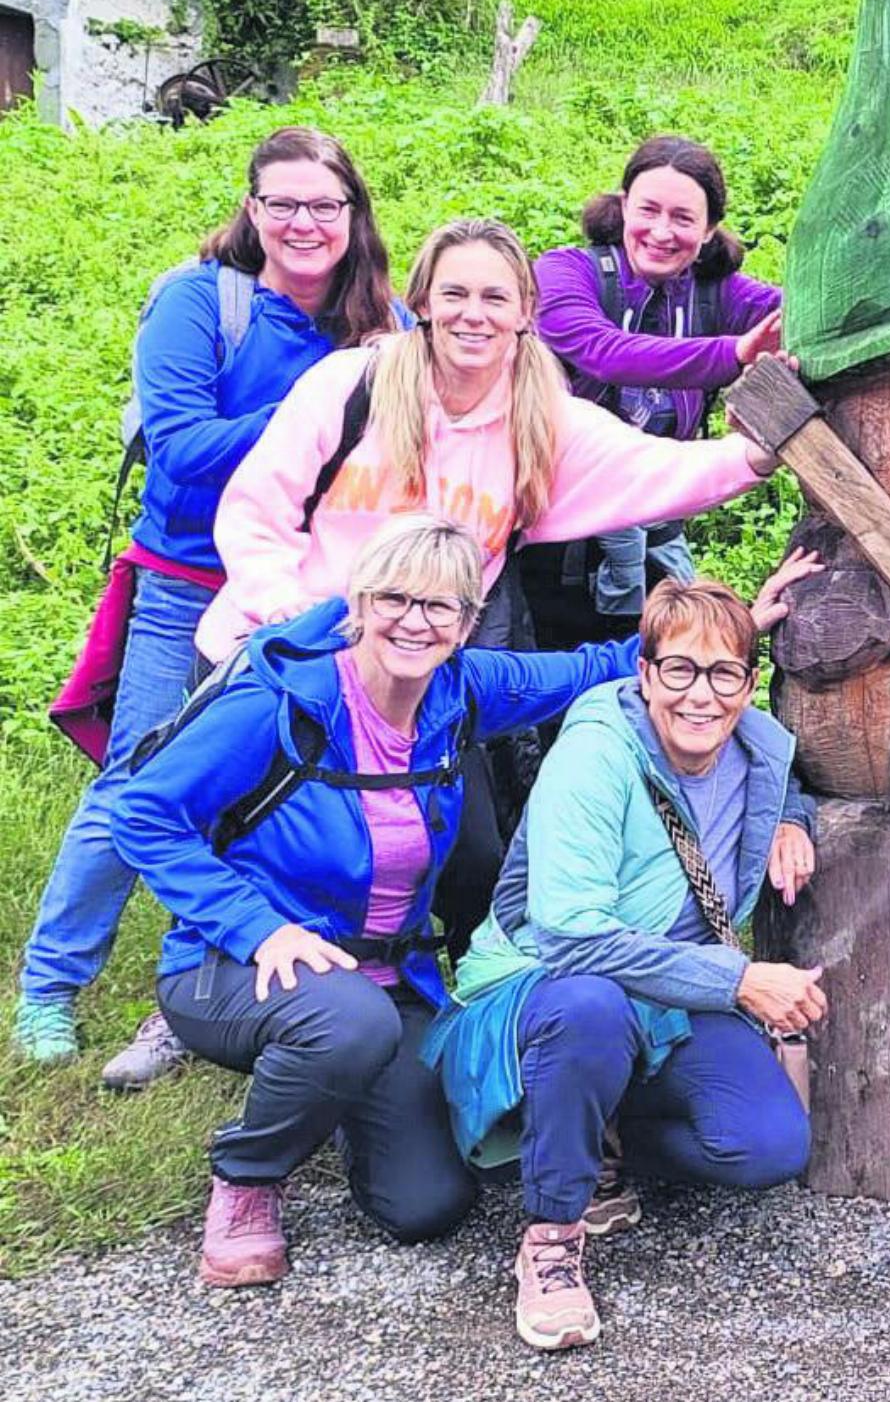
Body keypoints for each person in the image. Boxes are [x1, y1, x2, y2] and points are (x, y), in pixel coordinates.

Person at [190, 216, 784, 951]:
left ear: (524, 313)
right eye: (456, 293)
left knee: (470, 859)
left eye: (495, 298)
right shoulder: (352, 387)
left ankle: (473, 1006)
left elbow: (662, 470)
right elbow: (256, 512)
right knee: (247, 831)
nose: (474, 314)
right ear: (425, 302)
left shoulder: (541, 424)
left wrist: (764, 450)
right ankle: (203, 986)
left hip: (417, 676)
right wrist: (288, 613)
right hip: (288, 657)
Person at [109, 515, 649, 1288]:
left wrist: (715, 634)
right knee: (347, 1022)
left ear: (466, 623)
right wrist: (257, 929)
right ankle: (247, 1178)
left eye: (439, 606)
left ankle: (333, 1097)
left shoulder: (457, 692)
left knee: (427, 1205)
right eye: (395, 597)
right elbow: (143, 813)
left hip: (389, 986)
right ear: (360, 603)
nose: (414, 620)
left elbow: (586, 669)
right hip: (232, 967)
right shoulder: (282, 700)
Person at [14, 127, 405, 1083]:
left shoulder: (380, 320)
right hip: (186, 584)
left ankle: (192, 995)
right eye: (283, 203)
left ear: (354, 215)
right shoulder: (202, 304)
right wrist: (326, 402)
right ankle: (48, 990)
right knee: (140, 783)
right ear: (253, 208)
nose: (305, 222)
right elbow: (184, 449)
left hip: (312, 600)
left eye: (325, 204)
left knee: (269, 798)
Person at [425, 579, 820, 1352]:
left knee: (769, 1145)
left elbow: (787, 781)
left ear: (747, 683)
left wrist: (790, 822)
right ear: (643, 675)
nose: (700, 695)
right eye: (678, 670)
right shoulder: (594, 755)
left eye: (723, 673)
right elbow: (572, 938)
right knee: (591, 1008)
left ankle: (588, 1126)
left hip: (665, 994)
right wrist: (741, 980)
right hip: (545, 986)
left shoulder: (757, 745)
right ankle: (553, 1233)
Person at [527, 134, 784, 646]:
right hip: (548, 542)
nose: (661, 232)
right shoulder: (565, 272)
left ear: (709, 229)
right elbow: (606, 351)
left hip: (654, 537)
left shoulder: (718, 295)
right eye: (648, 210)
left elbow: (804, 313)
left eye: (684, 219)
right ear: (623, 207)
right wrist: (732, 355)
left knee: (660, 678)